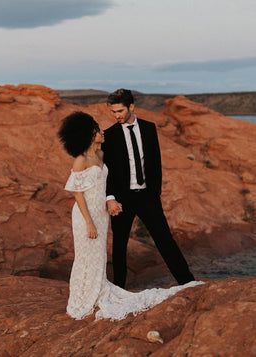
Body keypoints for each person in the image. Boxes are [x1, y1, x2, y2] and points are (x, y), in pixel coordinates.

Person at [58, 111, 203, 321]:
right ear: (89, 134)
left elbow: (106, 182)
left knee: (98, 256)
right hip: (85, 215)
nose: (102, 132)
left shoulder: (99, 154)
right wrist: (89, 222)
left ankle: (97, 291)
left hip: (101, 214)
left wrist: (110, 201)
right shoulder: (80, 160)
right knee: (85, 256)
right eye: (98, 130)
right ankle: (82, 298)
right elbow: (77, 193)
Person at [102, 88, 195, 288]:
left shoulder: (149, 128)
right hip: (122, 199)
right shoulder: (109, 135)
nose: (116, 115)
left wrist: (155, 193)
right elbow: (107, 170)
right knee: (119, 246)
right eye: (113, 112)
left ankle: (187, 282)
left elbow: (155, 163)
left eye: (120, 111)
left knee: (165, 240)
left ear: (131, 107)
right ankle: (119, 290)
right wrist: (110, 197)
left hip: (147, 197)